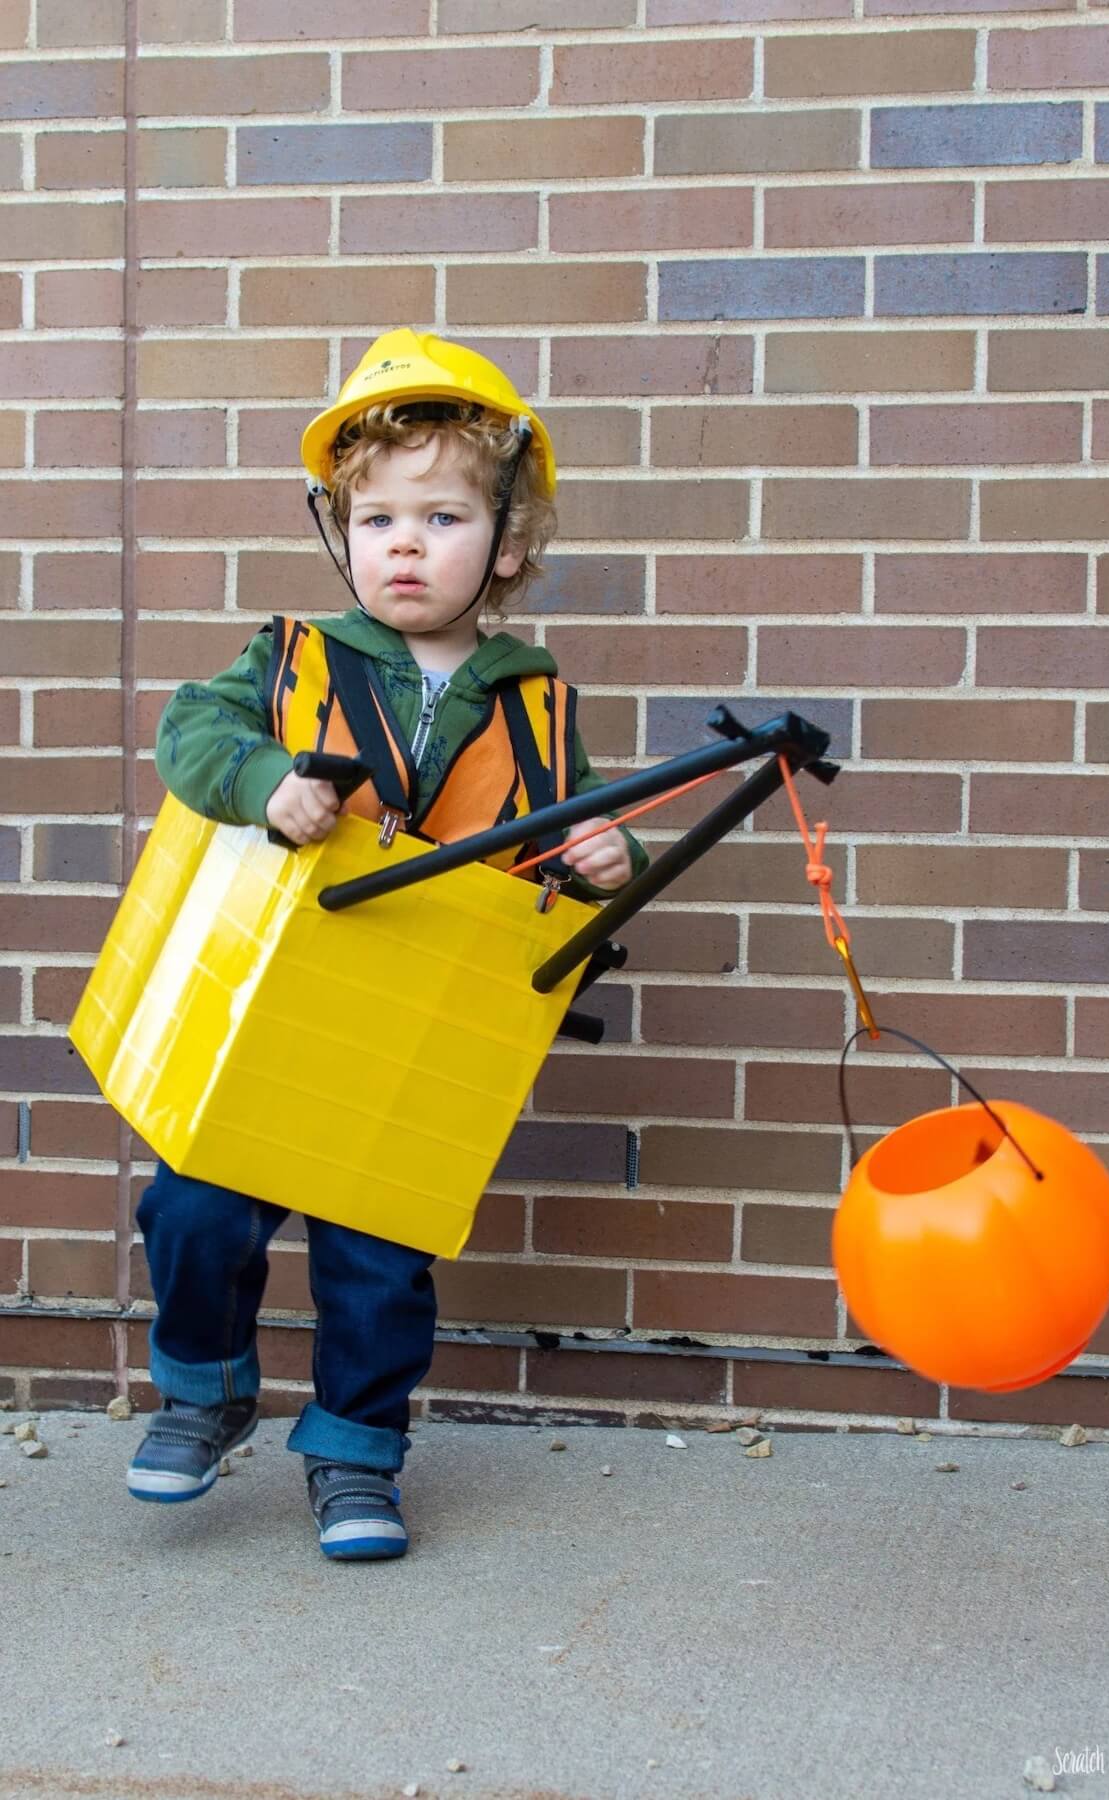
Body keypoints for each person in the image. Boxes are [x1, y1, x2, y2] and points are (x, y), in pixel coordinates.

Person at [128, 330, 647, 1561]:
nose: (404, 542)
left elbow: (547, 872)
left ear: (510, 545)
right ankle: (204, 1387)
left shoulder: (538, 709)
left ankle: (357, 1453)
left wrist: (598, 868)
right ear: (340, 535)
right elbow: (187, 734)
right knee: (195, 1209)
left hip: (414, 1033)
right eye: (376, 520)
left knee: (379, 1262)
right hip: (273, 1008)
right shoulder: (290, 661)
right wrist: (264, 780)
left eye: (444, 515)